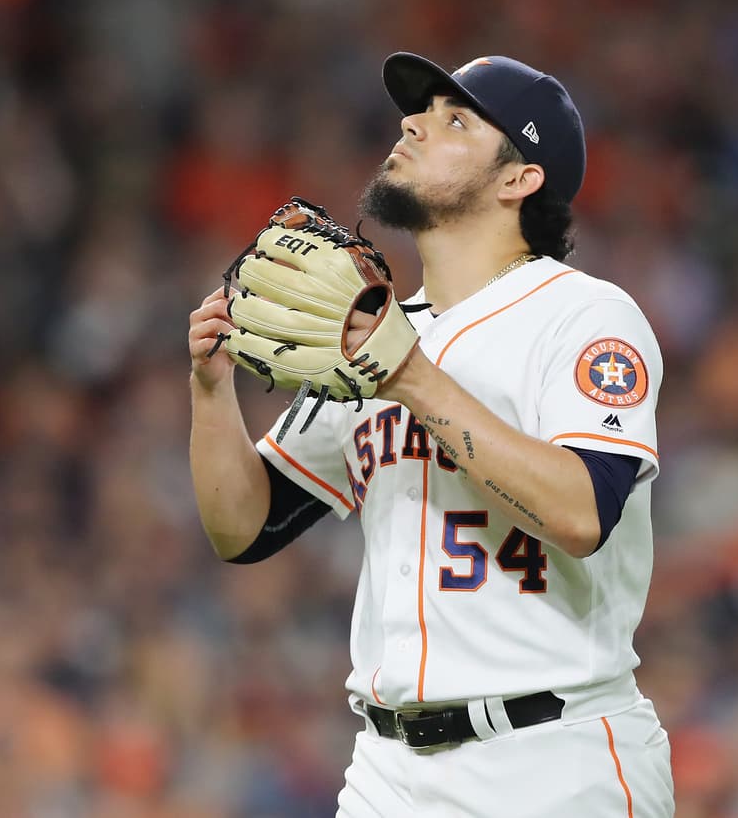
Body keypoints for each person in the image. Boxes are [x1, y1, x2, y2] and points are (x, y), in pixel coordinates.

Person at [188, 51, 675, 817]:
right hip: (389, 771)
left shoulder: (582, 315)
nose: (414, 123)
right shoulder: (381, 333)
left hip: (553, 757)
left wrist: (408, 375)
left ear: (521, 179)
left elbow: (584, 512)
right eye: (418, 112)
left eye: (455, 120)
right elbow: (243, 528)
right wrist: (212, 393)